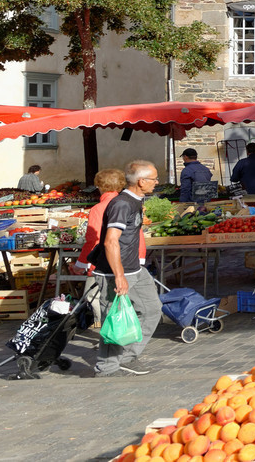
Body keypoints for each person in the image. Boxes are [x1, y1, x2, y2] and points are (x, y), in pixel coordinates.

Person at [89, 160, 162, 376]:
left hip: (135, 269)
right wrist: (119, 276)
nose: (157, 182)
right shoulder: (122, 204)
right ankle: (107, 368)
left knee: (151, 309)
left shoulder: (135, 201)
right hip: (114, 272)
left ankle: (128, 357)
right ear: (141, 181)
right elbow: (111, 241)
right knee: (115, 318)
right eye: (153, 179)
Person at [80, 167, 146, 271]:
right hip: (131, 261)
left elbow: (94, 238)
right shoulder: (131, 203)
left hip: (105, 263)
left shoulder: (98, 209)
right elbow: (138, 234)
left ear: (100, 186)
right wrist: (141, 257)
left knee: (95, 287)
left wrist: (82, 263)